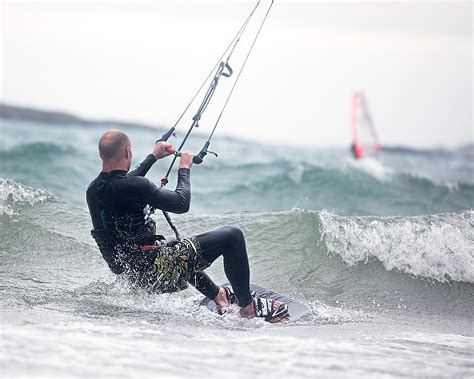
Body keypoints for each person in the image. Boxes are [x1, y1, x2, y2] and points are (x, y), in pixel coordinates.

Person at [86, 129, 288, 322]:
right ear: (128, 152)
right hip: (154, 273)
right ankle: (248, 308)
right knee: (233, 236)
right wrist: (184, 168)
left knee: (173, 244)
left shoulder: (94, 190)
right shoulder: (135, 186)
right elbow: (181, 203)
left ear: (101, 155)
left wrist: (153, 157)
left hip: (132, 275)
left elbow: (122, 184)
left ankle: (219, 296)